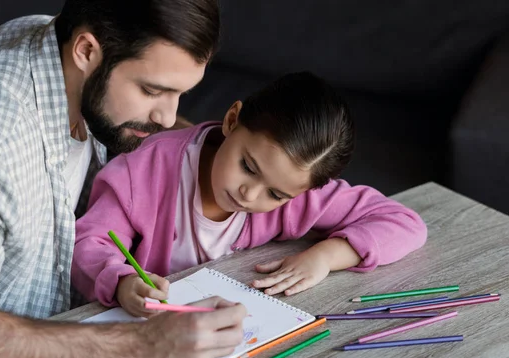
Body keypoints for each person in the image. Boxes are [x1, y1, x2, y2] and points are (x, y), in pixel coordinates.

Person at [0, 0, 247, 358]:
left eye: (180, 93)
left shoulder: (51, 40)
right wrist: (141, 345)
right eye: (152, 90)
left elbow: (172, 132)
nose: (167, 118)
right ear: (86, 51)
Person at [72, 71, 428, 318]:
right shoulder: (143, 170)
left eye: (274, 194)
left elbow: (405, 223)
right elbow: (88, 243)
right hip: (152, 329)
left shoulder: (298, 192)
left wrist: (327, 256)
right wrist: (121, 282)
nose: (248, 194)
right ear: (232, 119)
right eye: (248, 166)